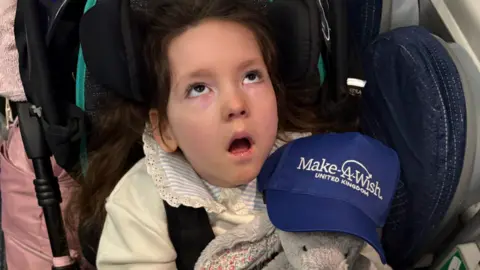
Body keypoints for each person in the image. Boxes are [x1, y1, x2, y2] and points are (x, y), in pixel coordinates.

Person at [66, 0, 371, 268]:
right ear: (165, 129)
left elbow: (359, 251)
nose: (236, 105)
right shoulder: (141, 202)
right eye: (199, 88)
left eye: (251, 76)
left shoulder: (318, 168)